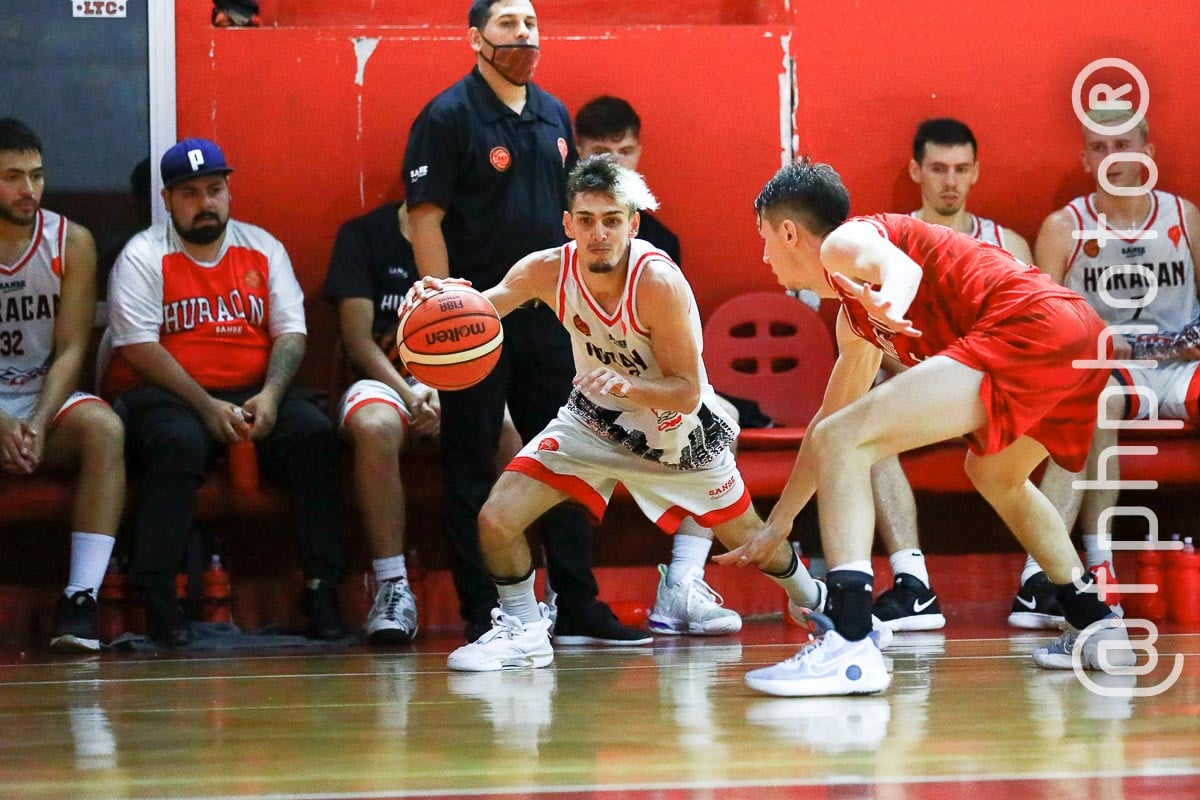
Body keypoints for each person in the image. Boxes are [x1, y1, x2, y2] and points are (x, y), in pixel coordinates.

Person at [731, 158, 1133, 697]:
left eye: (765, 241)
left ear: (789, 232)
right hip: (1080, 336)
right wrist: (778, 525)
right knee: (994, 474)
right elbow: (827, 427)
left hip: (1032, 326)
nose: (764, 258)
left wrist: (889, 306)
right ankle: (1095, 620)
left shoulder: (844, 245)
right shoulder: (856, 316)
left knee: (848, 439)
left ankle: (849, 642)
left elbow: (905, 274)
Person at [423, 156, 824, 671]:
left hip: (675, 433)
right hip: (592, 422)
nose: (598, 233)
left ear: (633, 223)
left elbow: (686, 391)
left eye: (612, 220)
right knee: (496, 520)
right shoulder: (546, 270)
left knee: (753, 543)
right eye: (586, 220)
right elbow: (481, 310)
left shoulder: (657, 282)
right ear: (568, 225)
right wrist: (437, 301)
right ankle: (523, 630)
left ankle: (816, 599)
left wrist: (629, 385)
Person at [403, 0, 647, 645]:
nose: (524, 35)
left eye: (531, 24)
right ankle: (487, 614)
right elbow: (425, 216)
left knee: (568, 457)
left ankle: (576, 603)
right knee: (471, 467)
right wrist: (445, 301)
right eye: (509, 24)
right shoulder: (447, 115)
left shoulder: (555, 114)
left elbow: (572, 220)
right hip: (475, 323)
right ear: (476, 37)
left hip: (550, 319)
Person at [106, 137, 347, 646]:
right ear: (169, 200)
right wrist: (205, 405)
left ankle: (322, 589)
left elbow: (291, 332)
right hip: (169, 394)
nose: (206, 202)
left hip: (256, 391)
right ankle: (157, 597)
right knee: (177, 443)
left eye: (215, 189)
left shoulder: (263, 248)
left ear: (228, 192)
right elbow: (138, 348)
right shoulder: (144, 255)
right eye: (190, 193)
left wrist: (274, 396)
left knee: (315, 436)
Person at [574, 95, 741, 636]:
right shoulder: (562, 237)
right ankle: (554, 595)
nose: (617, 166)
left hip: (641, 389)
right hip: (572, 390)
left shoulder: (660, 244)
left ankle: (683, 584)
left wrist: (641, 389)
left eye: (626, 153)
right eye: (604, 153)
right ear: (578, 153)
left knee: (720, 421)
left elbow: (672, 353)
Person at [322, 200, 524, 644]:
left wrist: (445, 384)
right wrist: (411, 392)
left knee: (508, 430)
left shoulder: (475, 233)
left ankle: (515, 590)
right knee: (375, 427)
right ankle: (392, 586)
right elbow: (357, 340)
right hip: (382, 380)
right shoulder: (364, 234)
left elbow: (492, 326)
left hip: (461, 379)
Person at [1029, 108, 1200, 625]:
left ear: (1147, 156)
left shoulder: (1185, 216)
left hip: (1179, 366)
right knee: (1094, 394)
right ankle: (1094, 564)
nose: (1110, 158)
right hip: (1104, 370)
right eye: (1098, 149)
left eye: (1122, 146)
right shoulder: (1065, 226)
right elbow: (1039, 327)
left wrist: (1174, 343)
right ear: (1084, 159)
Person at [871, 118, 1035, 632]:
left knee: (1086, 397)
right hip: (919, 387)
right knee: (860, 401)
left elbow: (1027, 336)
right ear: (916, 170)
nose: (950, 181)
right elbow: (875, 338)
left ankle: (1044, 581)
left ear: (976, 173)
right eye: (938, 168)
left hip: (991, 391)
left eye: (961, 169)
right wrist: (933, 376)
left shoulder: (1007, 244)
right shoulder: (889, 243)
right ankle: (911, 583)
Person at [0, 118, 126, 652]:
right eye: (12, 176)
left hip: (39, 395)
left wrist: (31, 421)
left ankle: (80, 601)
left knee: (105, 428)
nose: (28, 190)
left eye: (37, 175)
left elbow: (72, 346)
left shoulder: (70, 241)